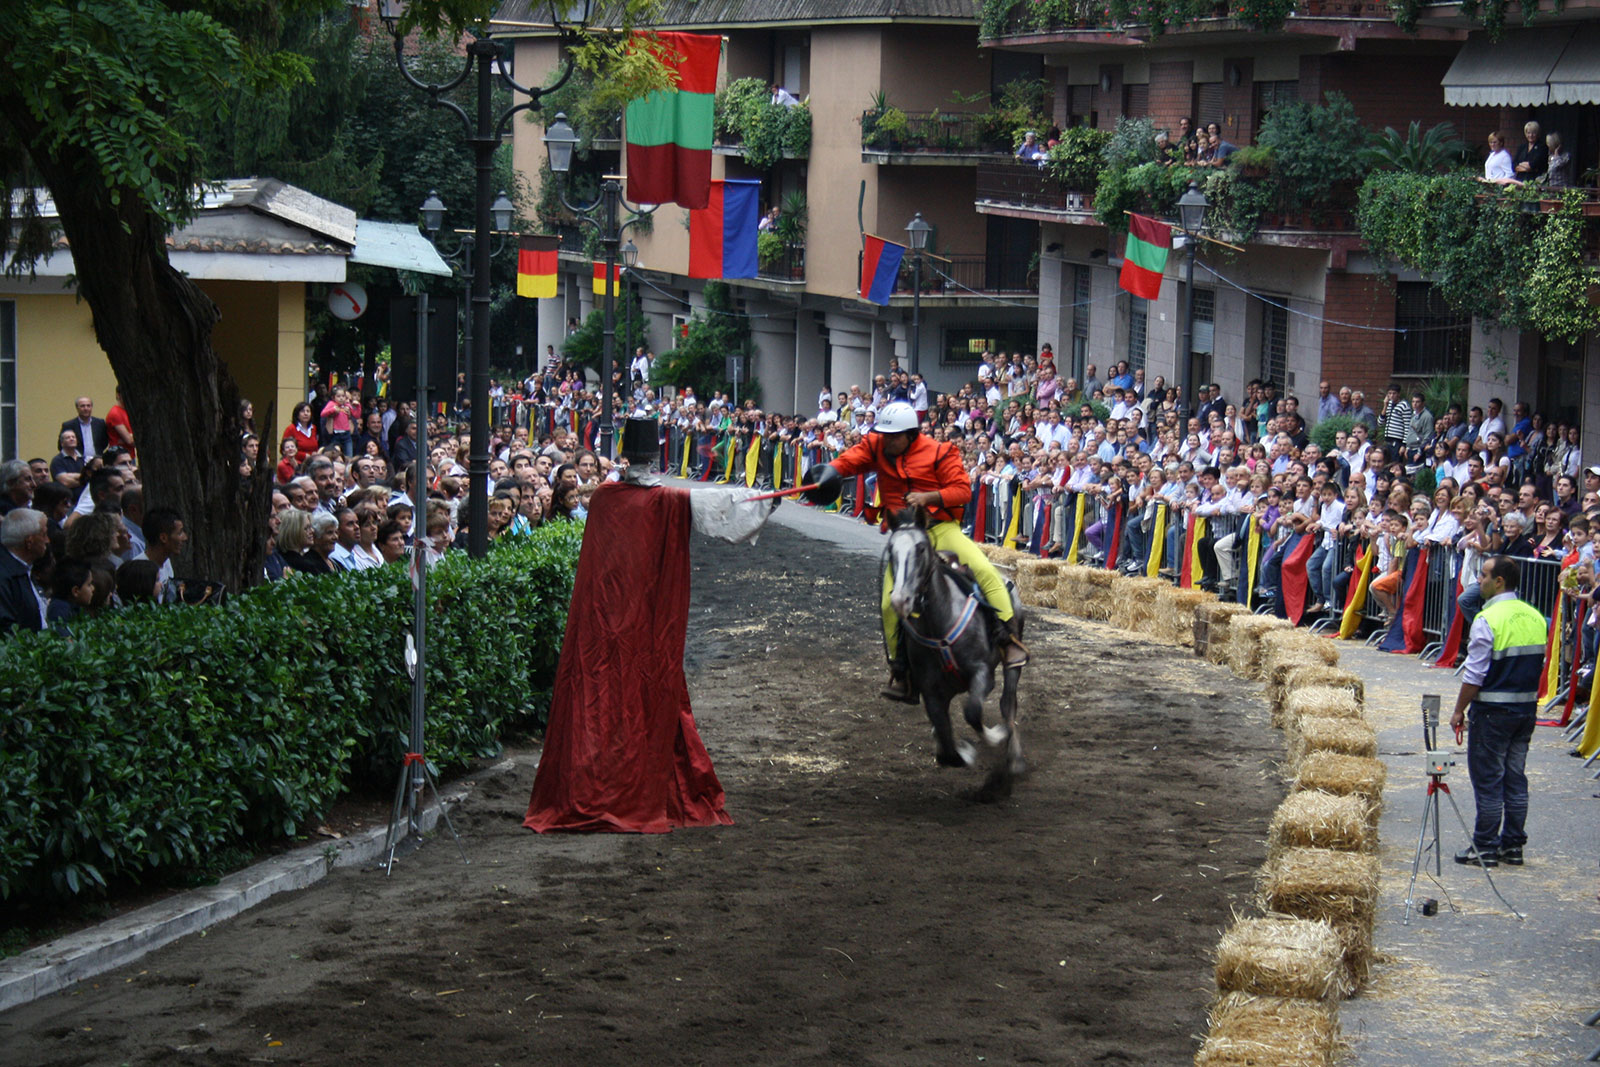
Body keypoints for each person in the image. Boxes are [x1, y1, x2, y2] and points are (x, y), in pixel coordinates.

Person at [804, 400, 1028, 701]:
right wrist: (827, 474)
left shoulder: (940, 451)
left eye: (893, 436)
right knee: (888, 604)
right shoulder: (876, 445)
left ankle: (1007, 640)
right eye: (883, 434)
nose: (887, 440)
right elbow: (849, 461)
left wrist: (930, 496)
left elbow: (962, 490)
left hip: (941, 528)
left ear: (910, 435)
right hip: (906, 536)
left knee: (986, 572)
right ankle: (902, 671)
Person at [1450, 555, 1545, 867]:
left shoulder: (1487, 619)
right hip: (1526, 709)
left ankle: (1485, 846)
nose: (1480, 580)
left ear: (1499, 581)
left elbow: (1474, 675)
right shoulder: (1535, 617)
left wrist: (1458, 710)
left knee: (1489, 780)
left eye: (1485, 575)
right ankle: (1513, 845)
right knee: (1515, 778)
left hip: (1492, 710)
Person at [0, 508, 48, 634]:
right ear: (29, 542)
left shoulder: (24, 568)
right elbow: (7, 628)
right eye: (44, 534)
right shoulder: (5, 576)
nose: (47, 540)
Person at [62, 396, 109, 461]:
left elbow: (105, 442)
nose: (86, 408)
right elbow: (62, 445)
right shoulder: (69, 425)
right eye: (82, 406)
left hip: (97, 461)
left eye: (88, 406)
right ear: (77, 408)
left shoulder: (100, 423)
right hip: (77, 461)